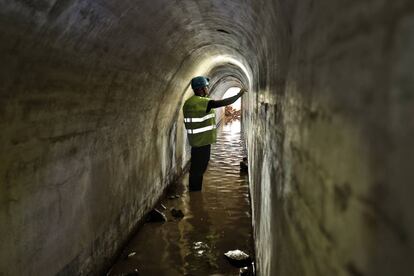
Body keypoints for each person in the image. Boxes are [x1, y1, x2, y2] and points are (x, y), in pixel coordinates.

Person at [183, 76, 247, 191]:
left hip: (195, 140)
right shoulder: (203, 102)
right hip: (202, 142)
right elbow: (225, 102)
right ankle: (195, 193)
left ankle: (194, 195)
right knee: (199, 168)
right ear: (201, 89)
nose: (208, 88)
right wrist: (239, 94)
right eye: (206, 87)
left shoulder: (189, 102)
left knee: (195, 168)